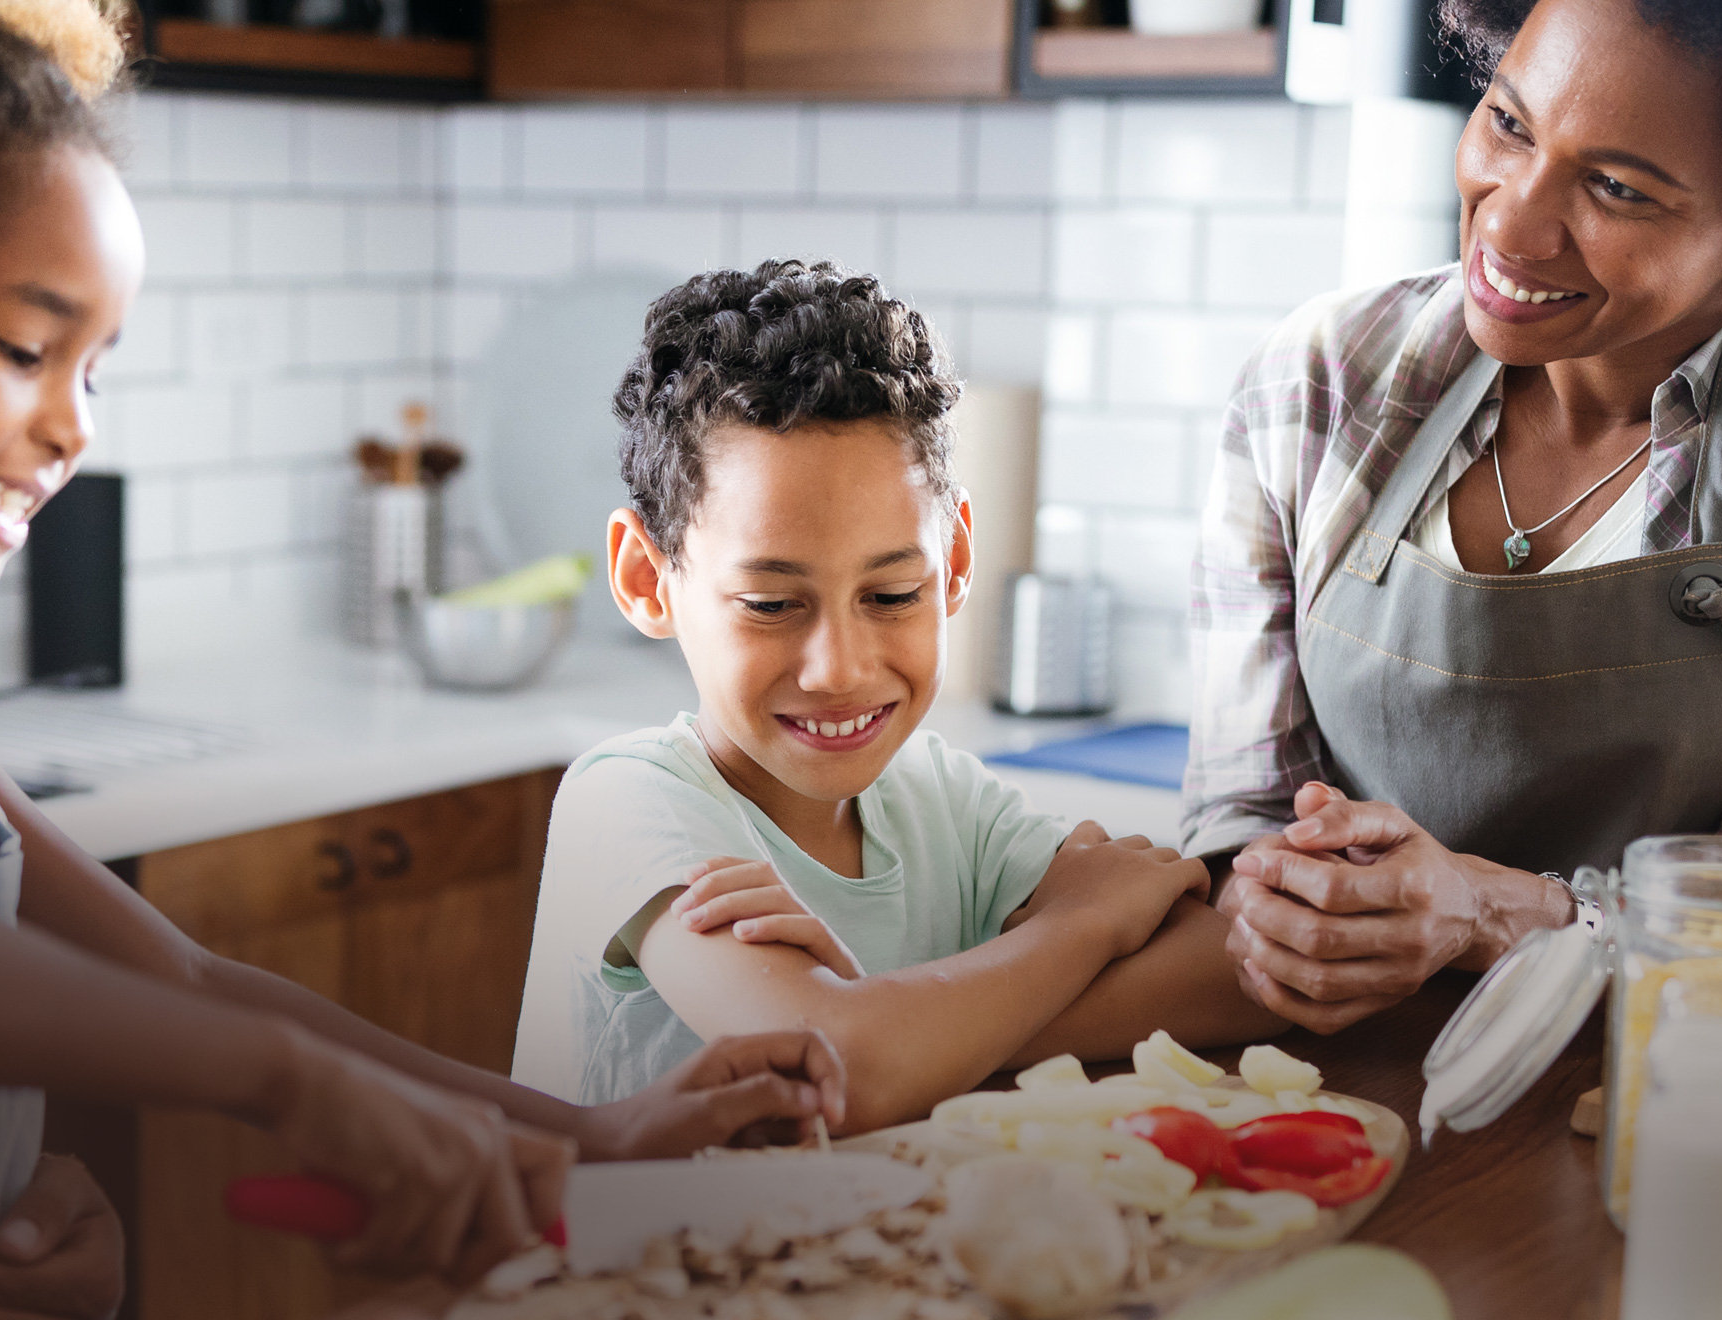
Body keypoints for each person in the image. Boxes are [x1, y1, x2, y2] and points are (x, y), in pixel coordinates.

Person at [0, 8, 848, 1316]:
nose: (71, 427)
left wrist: (583, 1135)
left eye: (93, 370)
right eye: (25, 349)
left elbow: (184, 978)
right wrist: (282, 1082)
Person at [1183, 0, 1722, 1033]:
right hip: (1318, 1073)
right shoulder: (1323, 377)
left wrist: (1489, 915)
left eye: (1616, 189)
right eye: (1509, 123)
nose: (1508, 225)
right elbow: (1239, 817)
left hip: (1671, 1080)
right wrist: (1285, 898)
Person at [512, 261, 1285, 1134]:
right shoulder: (627, 802)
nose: (839, 669)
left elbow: (1239, 973)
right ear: (645, 579)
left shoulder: (942, 802)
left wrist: (909, 1026)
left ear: (953, 562)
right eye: (771, 604)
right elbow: (843, 1073)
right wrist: (1078, 928)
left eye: (890, 595)